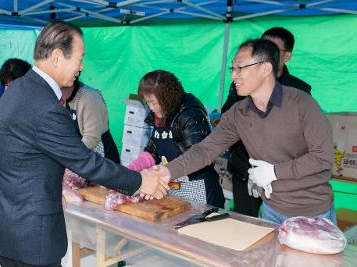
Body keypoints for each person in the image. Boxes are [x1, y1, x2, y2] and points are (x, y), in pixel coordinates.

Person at [0, 21, 168, 267]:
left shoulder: (20, 88)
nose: (81, 67)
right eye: (80, 58)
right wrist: (141, 181)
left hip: (5, 221)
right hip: (27, 233)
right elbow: (86, 162)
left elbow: (25, 158)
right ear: (57, 56)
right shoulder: (43, 105)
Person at [157, 39, 335, 225]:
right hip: (271, 210)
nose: (234, 75)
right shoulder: (238, 113)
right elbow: (205, 149)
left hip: (313, 213)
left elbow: (322, 157)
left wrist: (274, 172)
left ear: (265, 69)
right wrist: (167, 171)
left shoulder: (302, 104)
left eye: (240, 68)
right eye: (232, 69)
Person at [220, 27, 312, 217]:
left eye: (273, 49)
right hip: (245, 169)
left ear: (287, 56)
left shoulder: (299, 90)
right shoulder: (242, 80)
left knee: (283, 229)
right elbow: (227, 114)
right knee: (244, 225)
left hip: (282, 176)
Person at [127, 70, 225, 208]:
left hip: (198, 188)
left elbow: (197, 155)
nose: (151, 107)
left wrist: (161, 174)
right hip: (174, 185)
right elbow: (152, 150)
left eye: (153, 102)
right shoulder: (161, 114)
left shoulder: (190, 114)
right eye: (147, 102)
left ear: (166, 97)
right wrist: (130, 170)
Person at [61, 77, 120, 164]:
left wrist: (70, 157)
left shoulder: (89, 97)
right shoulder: (62, 98)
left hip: (101, 158)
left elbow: (91, 138)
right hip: (79, 153)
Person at [0, 58, 31, 131]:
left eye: (14, 84)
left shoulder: (33, 91)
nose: (10, 88)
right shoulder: (1, 88)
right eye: (7, 84)